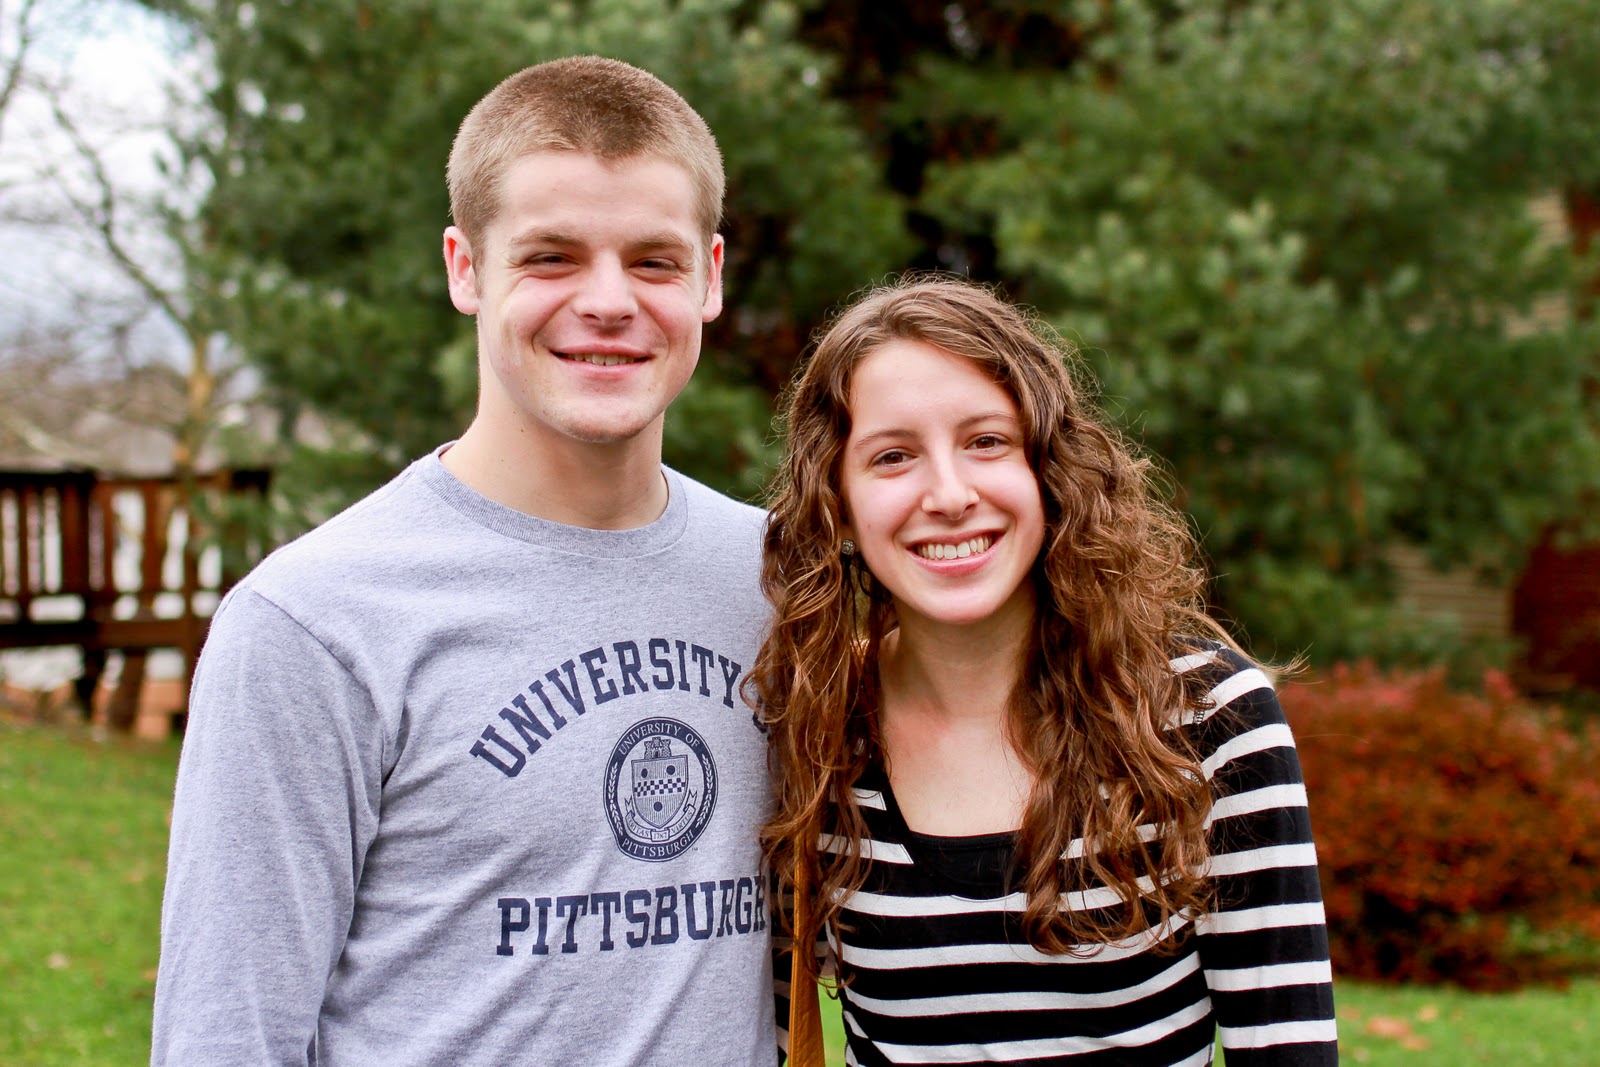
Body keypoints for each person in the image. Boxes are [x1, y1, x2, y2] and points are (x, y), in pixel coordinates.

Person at [152, 57, 778, 1066]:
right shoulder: (313, 622)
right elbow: (225, 1037)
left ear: (710, 277)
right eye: (551, 257)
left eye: (653, 261)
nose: (608, 301)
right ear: (465, 268)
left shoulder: (777, 579)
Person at [754, 276, 1339, 1066]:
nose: (949, 494)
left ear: (1050, 468)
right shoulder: (814, 733)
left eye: (986, 441)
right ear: (838, 505)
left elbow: (1290, 1049)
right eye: (892, 456)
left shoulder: (1207, 718)